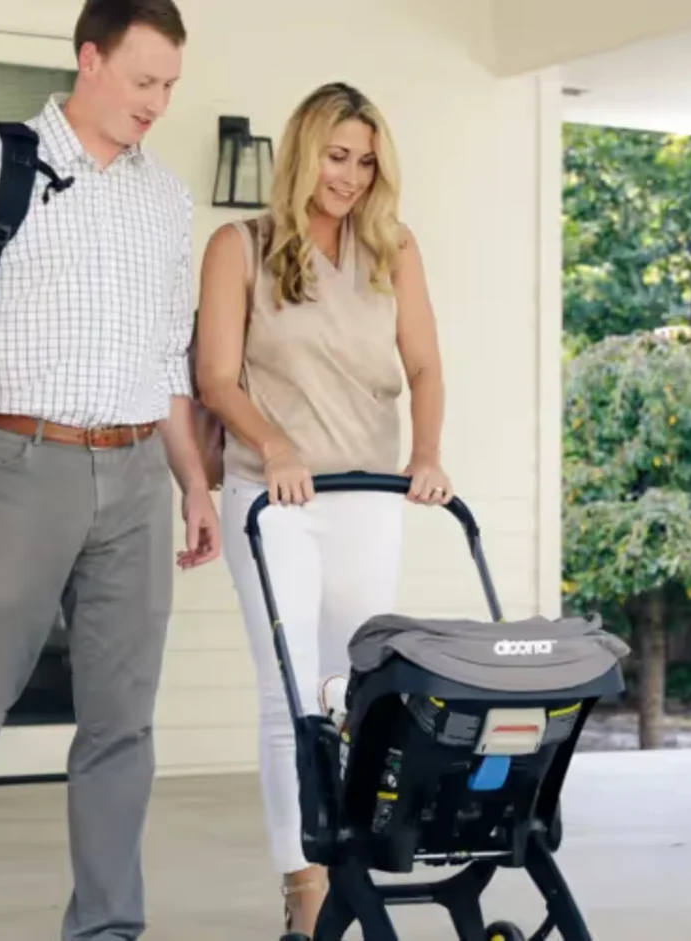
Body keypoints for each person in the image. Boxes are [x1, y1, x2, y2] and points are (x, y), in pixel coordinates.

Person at [0, 1, 219, 938]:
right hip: (14, 464)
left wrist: (193, 481)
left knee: (122, 722)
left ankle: (107, 926)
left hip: (137, 470)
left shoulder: (165, 198)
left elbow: (168, 361)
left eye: (170, 85)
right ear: (88, 59)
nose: (158, 102)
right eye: (143, 81)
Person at [193, 81, 450, 937]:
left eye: (366, 161)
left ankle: (349, 863)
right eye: (337, 156)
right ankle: (304, 892)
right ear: (304, 150)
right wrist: (274, 444)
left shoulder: (394, 249)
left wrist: (425, 452)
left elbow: (424, 367)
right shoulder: (241, 246)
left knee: (355, 690)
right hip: (274, 501)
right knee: (292, 694)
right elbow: (217, 378)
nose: (350, 176)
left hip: (367, 496)